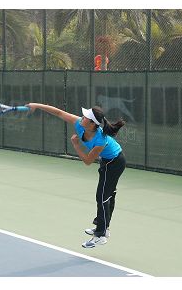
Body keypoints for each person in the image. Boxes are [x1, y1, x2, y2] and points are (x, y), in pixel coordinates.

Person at [27, 102, 126, 249]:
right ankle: (103, 227)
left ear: (92, 124)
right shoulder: (80, 123)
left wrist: (76, 145)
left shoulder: (100, 140)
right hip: (107, 160)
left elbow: (87, 161)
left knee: (102, 196)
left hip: (115, 162)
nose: (82, 118)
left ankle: (100, 235)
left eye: (86, 117)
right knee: (106, 195)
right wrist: (37, 105)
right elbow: (59, 112)